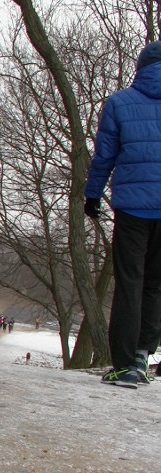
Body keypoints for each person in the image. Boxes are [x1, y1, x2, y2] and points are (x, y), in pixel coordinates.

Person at [85, 41, 161, 388]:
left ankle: (125, 365)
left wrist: (92, 194)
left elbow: (104, 155)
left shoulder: (119, 103)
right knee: (155, 285)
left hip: (132, 206)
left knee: (130, 282)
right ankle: (145, 355)